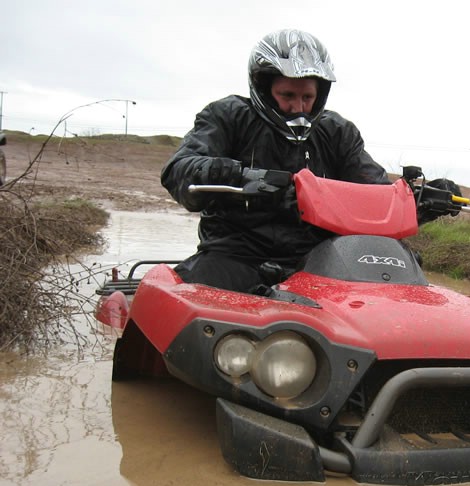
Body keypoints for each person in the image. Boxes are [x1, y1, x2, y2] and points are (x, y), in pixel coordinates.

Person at [161, 29, 390, 292]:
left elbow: (375, 186)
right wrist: (218, 171)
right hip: (235, 254)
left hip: (320, 259)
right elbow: (177, 170)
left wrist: (415, 199)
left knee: (386, 288)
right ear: (265, 89)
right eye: (288, 95)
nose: (298, 107)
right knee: (193, 298)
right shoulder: (228, 116)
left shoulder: (338, 132)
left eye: (307, 97)